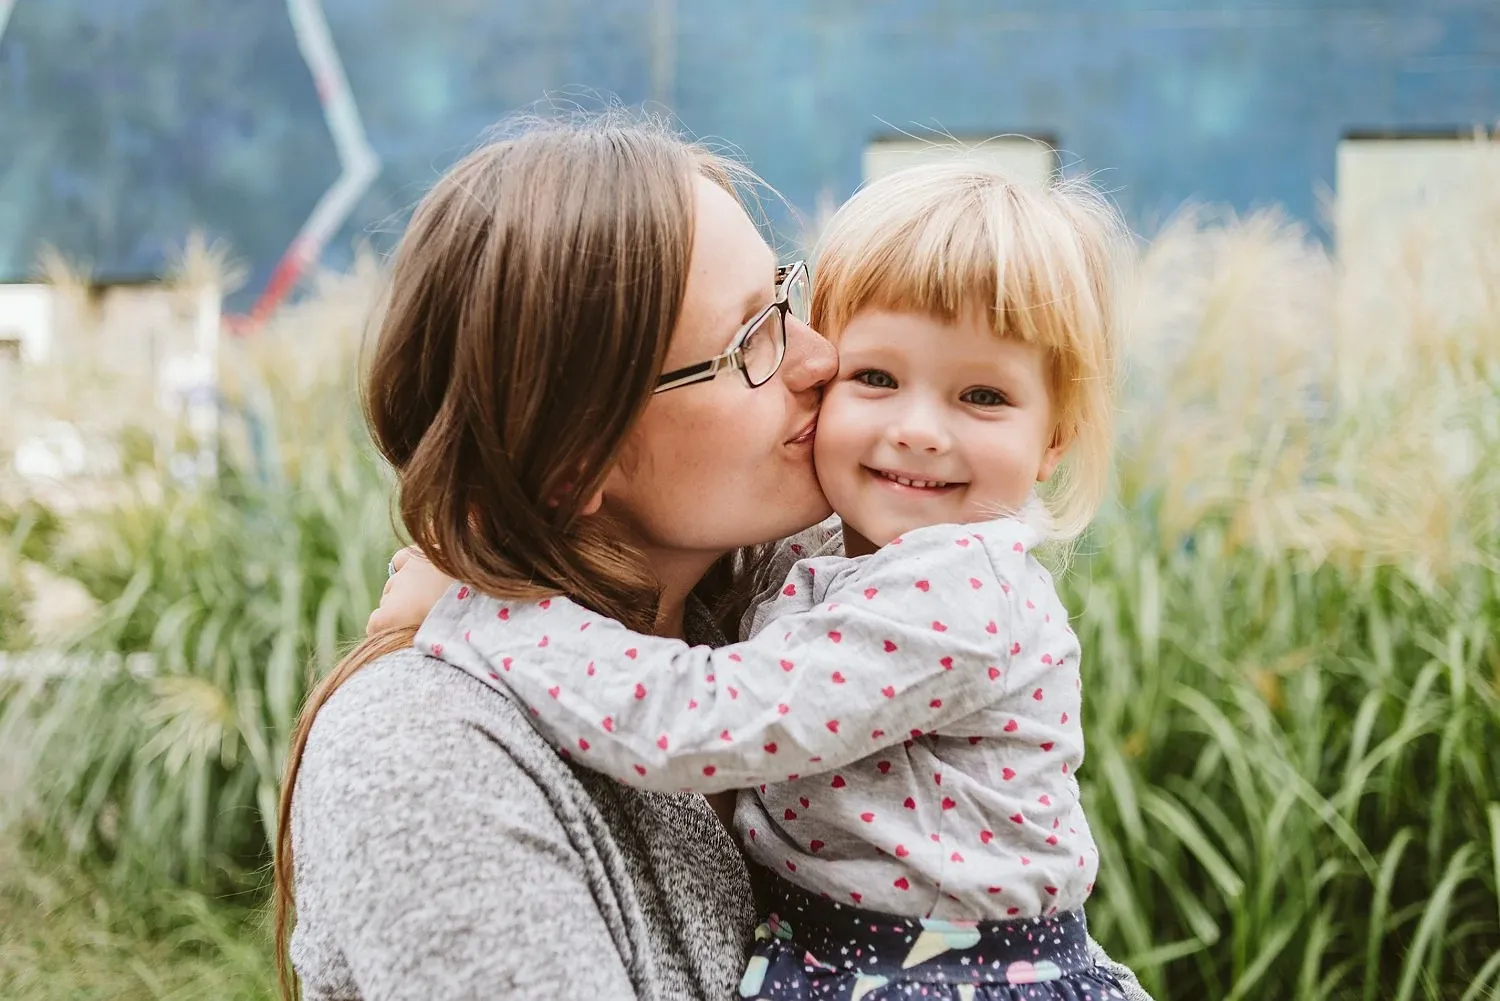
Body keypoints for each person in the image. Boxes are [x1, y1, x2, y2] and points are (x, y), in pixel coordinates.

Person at [281, 112, 1150, 1000]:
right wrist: (484, 595)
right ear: (581, 456)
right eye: (753, 340)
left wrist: (483, 601)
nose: (820, 356)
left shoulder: (811, 594)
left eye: (787, 296)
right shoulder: (428, 756)